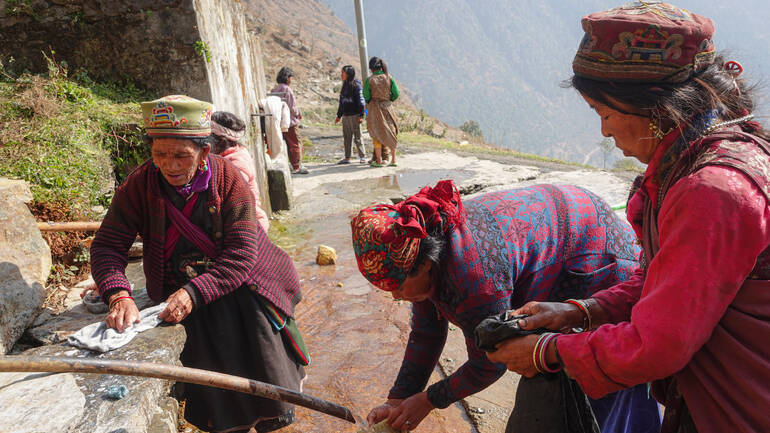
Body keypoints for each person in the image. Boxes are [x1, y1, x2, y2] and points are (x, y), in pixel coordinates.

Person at [487, 3, 770, 433]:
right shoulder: (693, 163)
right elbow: (667, 283)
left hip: (741, 408)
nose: (603, 131)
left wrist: (547, 351)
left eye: (604, 113)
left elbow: (659, 344)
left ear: (654, 108)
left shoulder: (710, 191)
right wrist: (578, 311)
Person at [351, 180, 660, 432]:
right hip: (561, 232)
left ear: (425, 265)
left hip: (594, 255)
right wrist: (399, 398)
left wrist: (430, 400)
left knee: (596, 381)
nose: (396, 297)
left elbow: (491, 361)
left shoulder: (473, 275)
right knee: (548, 370)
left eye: (400, 288)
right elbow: (427, 333)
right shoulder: (420, 245)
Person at [91, 95, 308, 433]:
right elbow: (108, 245)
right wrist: (119, 294)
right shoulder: (139, 185)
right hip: (181, 292)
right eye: (160, 154)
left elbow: (240, 256)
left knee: (266, 384)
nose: (170, 165)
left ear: (205, 152)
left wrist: (193, 293)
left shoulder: (229, 181)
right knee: (216, 401)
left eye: (181, 155)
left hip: (240, 287)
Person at [210, 111, 270, 232]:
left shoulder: (236, 163)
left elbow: (230, 199)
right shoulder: (232, 153)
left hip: (250, 226)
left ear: (221, 141)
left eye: (207, 138)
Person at [271, 67, 308, 174]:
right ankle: (297, 166)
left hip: (279, 122)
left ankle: (292, 164)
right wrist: (299, 114)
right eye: (291, 78)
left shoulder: (275, 89)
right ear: (287, 78)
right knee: (296, 143)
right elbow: (292, 107)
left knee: (286, 143)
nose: (291, 80)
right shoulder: (287, 89)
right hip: (290, 122)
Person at [364, 57, 399, 167]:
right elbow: (396, 93)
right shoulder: (389, 78)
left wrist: (371, 102)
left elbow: (366, 95)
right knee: (391, 131)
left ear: (371, 68)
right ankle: (393, 160)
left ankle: (378, 161)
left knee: (376, 131)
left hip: (374, 108)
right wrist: (389, 100)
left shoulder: (369, 80)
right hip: (388, 107)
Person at [335, 65, 367, 164]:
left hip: (355, 116)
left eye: (343, 73)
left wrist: (361, 115)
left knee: (358, 137)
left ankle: (362, 157)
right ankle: (347, 157)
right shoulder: (344, 85)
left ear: (348, 74)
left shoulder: (356, 85)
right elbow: (342, 102)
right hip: (345, 116)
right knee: (347, 138)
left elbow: (361, 102)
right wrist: (339, 116)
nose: (341, 75)